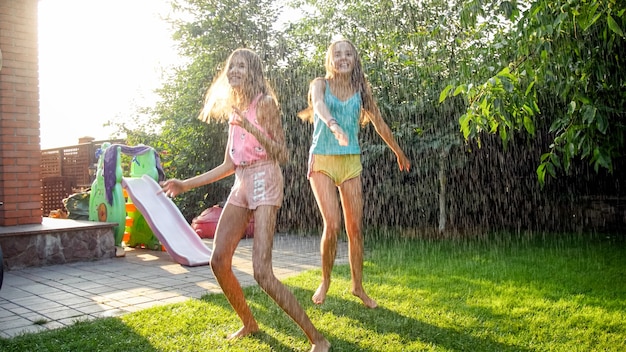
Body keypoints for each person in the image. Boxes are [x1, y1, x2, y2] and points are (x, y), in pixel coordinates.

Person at [161, 48, 330, 352]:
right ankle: (249, 323)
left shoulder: (265, 105)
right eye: (231, 66)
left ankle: (318, 339)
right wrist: (185, 184)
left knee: (262, 272)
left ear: (253, 71)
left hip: (266, 178)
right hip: (242, 181)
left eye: (241, 66)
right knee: (218, 260)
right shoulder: (234, 112)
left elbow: (282, 154)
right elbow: (229, 164)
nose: (234, 70)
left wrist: (252, 128)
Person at [298, 39, 411, 309]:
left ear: (355, 59)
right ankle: (325, 281)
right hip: (323, 160)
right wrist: (333, 125)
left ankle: (358, 287)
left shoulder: (361, 89)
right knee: (333, 224)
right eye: (337, 54)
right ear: (330, 60)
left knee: (355, 229)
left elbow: (379, 122)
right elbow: (319, 106)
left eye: (348, 53)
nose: (343, 58)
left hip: (350, 163)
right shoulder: (320, 84)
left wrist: (398, 151)